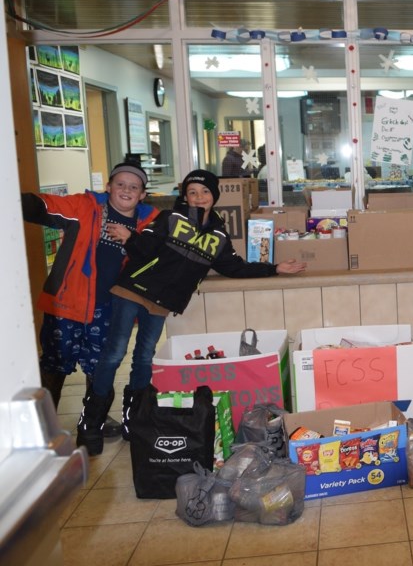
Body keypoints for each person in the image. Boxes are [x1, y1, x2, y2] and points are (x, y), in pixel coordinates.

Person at [77, 169, 307, 455]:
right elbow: (144, 250)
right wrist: (131, 237)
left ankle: (134, 420)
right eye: (192, 193)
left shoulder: (219, 234)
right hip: (133, 289)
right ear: (185, 197)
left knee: (144, 358)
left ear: (214, 197)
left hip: (163, 301)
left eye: (205, 192)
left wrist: (274, 268)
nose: (198, 198)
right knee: (114, 354)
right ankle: (91, 422)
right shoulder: (170, 218)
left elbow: (234, 267)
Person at [22, 162, 159, 436]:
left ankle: (94, 419)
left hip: (110, 308)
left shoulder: (150, 225)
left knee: (100, 367)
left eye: (134, 187)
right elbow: (45, 205)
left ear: (142, 195)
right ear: (108, 187)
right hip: (66, 304)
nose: (126, 190)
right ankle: (41, 427)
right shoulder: (83, 207)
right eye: (120, 184)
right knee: (53, 365)